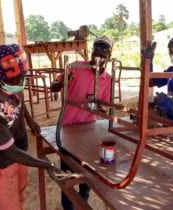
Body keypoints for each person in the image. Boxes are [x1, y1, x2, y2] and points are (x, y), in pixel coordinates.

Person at [0, 44, 59, 210]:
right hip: (2, 158)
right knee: (9, 204)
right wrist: (46, 165)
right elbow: (8, 150)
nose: (20, 83)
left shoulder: (11, 79)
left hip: (19, 147)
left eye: (22, 77)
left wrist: (29, 119)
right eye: (15, 80)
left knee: (20, 192)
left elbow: (18, 97)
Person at [51, 36, 113, 210]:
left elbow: (105, 107)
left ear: (109, 57)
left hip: (89, 130)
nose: (98, 57)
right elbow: (54, 86)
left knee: (86, 174)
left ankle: (82, 203)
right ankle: (68, 206)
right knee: (69, 174)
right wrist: (61, 81)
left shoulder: (107, 79)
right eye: (95, 52)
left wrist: (100, 107)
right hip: (68, 127)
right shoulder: (76, 67)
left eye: (103, 54)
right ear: (91, 53)